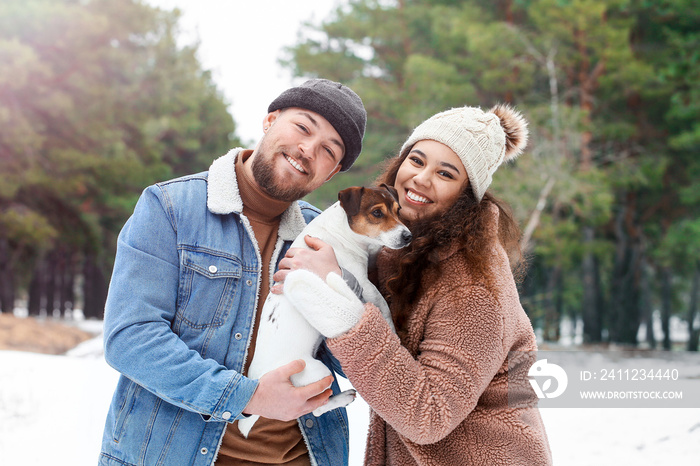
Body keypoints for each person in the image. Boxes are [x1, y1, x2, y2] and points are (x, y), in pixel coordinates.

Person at [99, 78, 367, 466]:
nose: (308, 149)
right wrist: (247, 397)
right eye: (303, 127)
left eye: (328, 150)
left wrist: (341, 291)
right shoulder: (170, 207)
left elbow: (353, 362)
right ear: (270, 120)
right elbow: (131, 337)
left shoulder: (324, 240)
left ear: (332, 173)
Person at [277, 104, 553, 465]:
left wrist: (334, 291)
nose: (421, 178)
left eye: (446, 173)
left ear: (467, 196)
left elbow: (429, 415)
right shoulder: (405, 249)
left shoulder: (473, 284)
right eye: (417, 160)